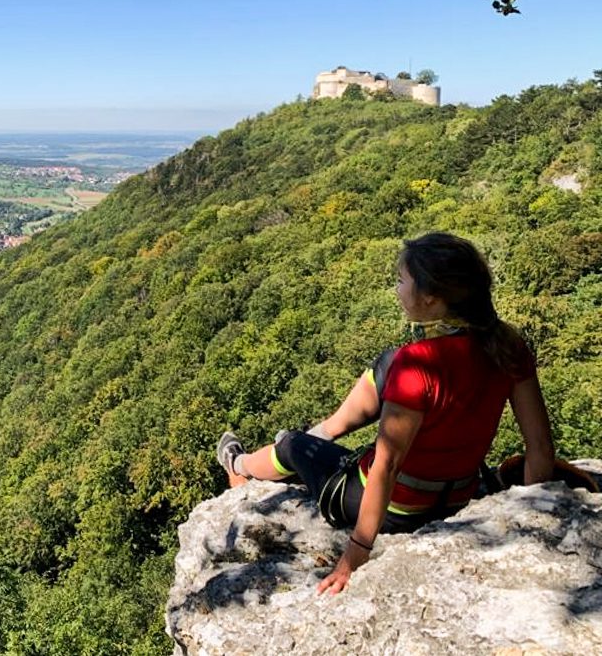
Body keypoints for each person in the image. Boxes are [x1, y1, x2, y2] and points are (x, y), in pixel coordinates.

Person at [216, 232, 555, 595]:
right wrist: (530, 516)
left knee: (291, 446)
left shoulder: (417, 365)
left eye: (401, 281)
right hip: (458, 495)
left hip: (395, 508)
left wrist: (354, 556)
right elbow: (539, 445)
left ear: (430, 298)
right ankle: (325, 431)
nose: (397, 289)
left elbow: (387, 467)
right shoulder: (508, 345)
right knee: (388, 361)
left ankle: (239, 468)